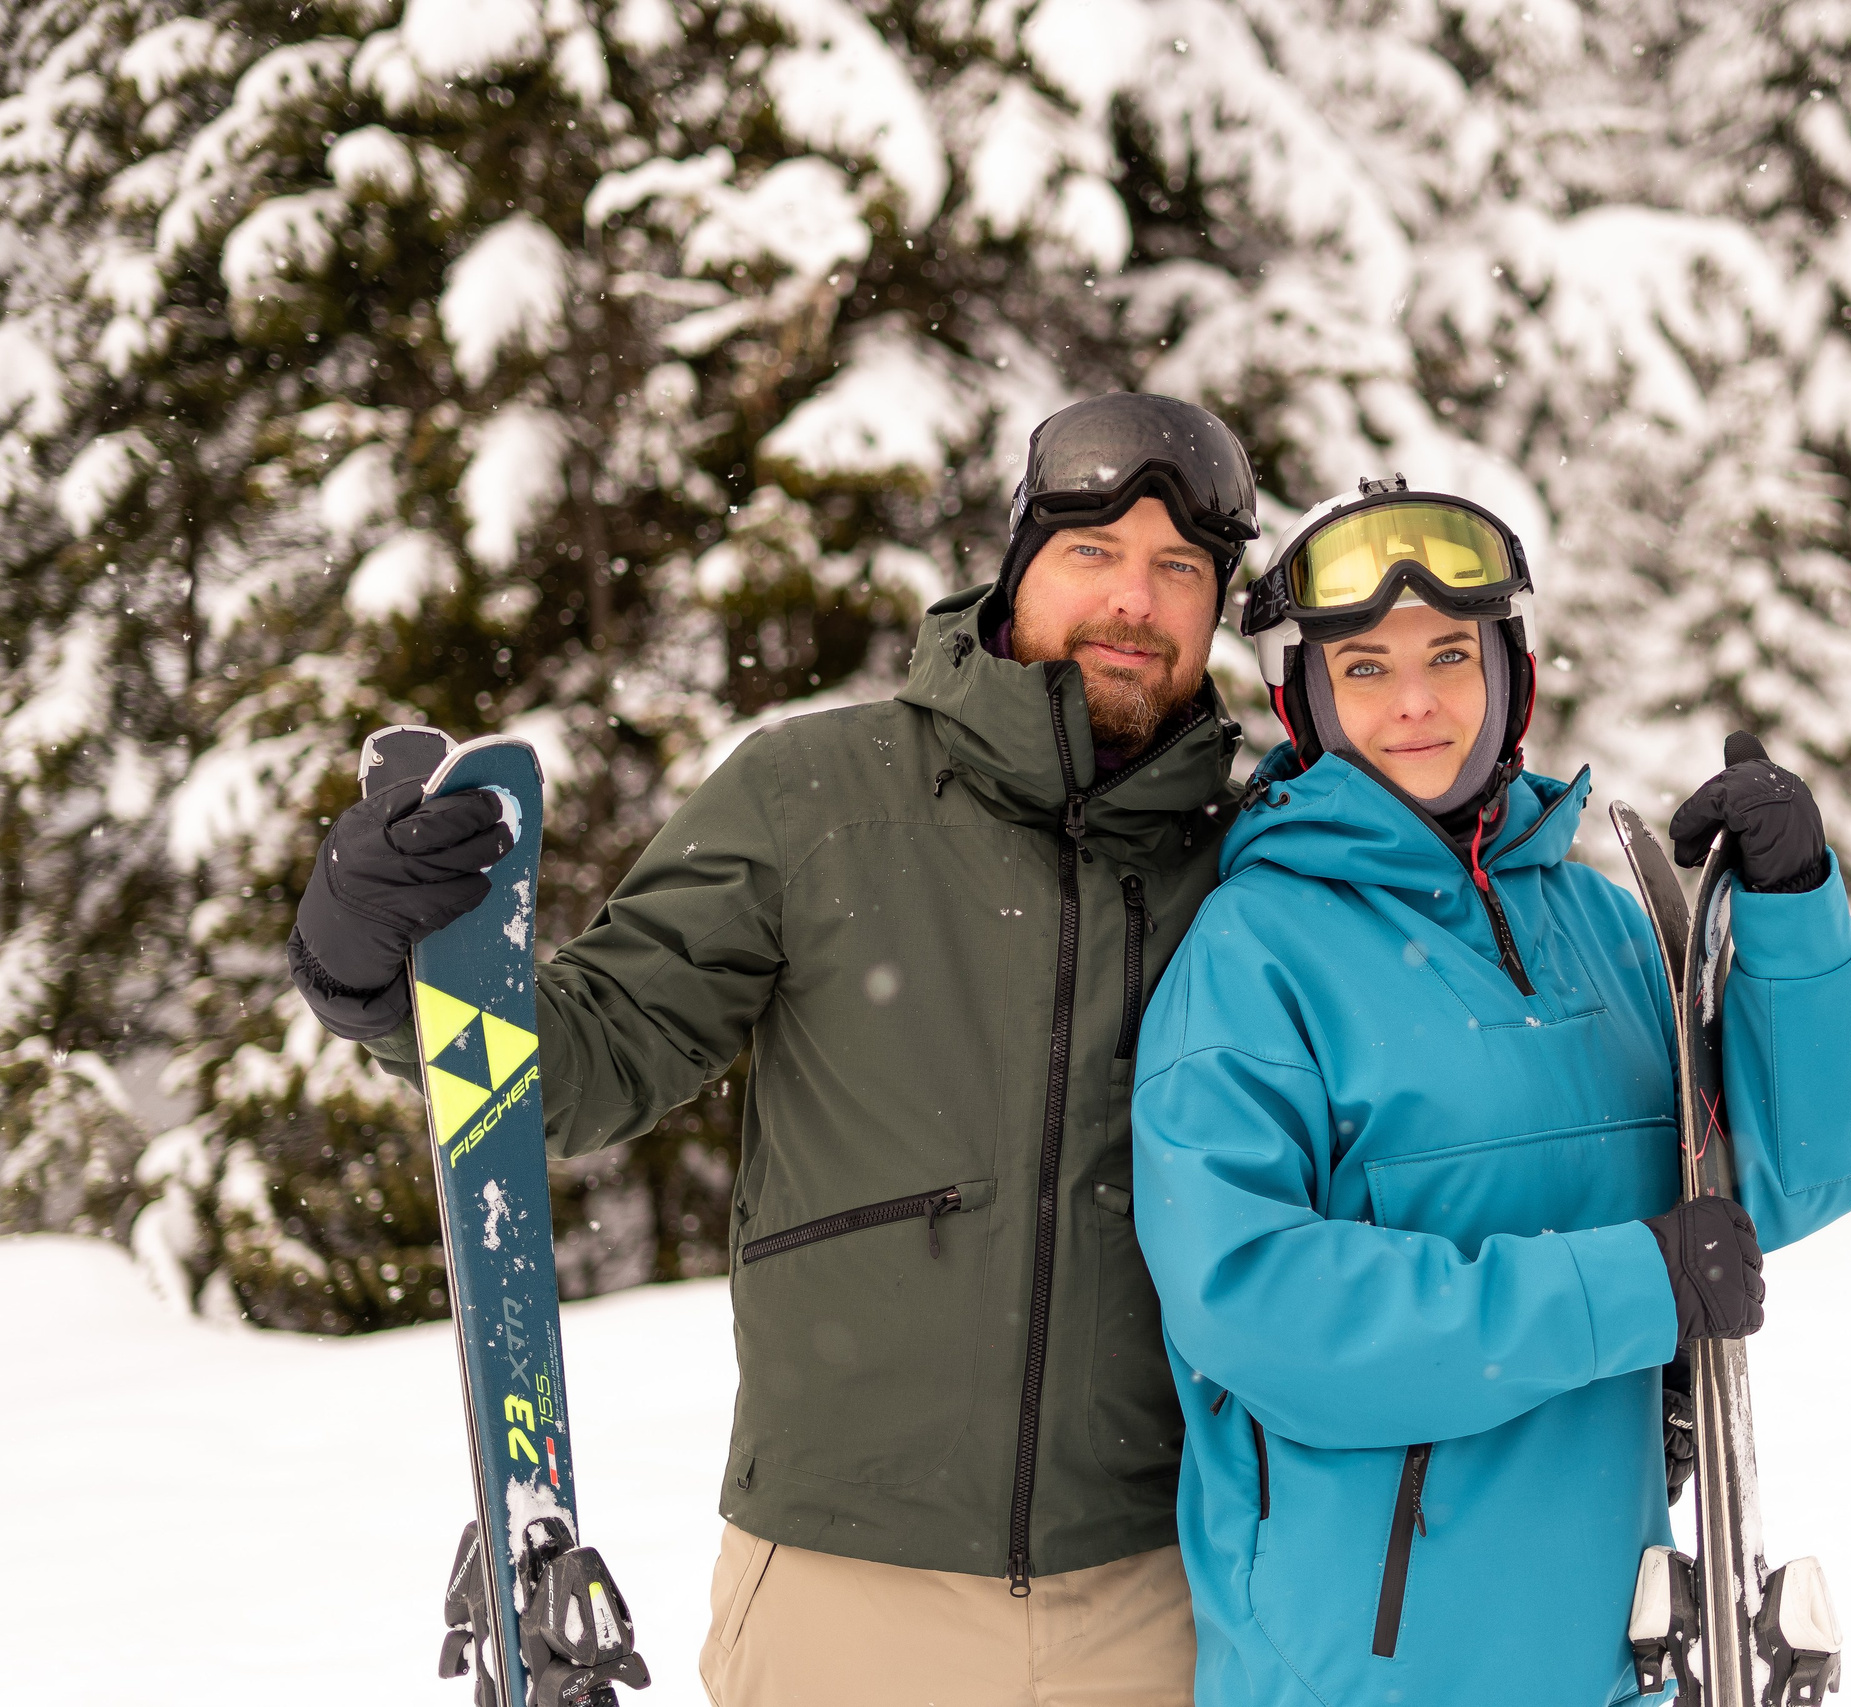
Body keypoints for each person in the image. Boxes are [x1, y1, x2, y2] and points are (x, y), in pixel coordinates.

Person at [285, 393, 1265, 1706]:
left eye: (1178, 570)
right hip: (843, 1587)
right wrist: (381, 974)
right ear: (1020, 563)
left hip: (1159, 1594)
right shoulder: (816, 795)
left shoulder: (1253, 856)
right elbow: (592, 1053)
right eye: (1093, 553)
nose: (1132, 602)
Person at [1128, 479, 1851, 1707]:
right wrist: (1633, 1283)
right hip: (1362, 1667)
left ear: (1510, 674)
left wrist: (1791, 919)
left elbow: (1780, 1192)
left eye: (1448, 656)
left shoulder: (1602, 927)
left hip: (1613, 1649)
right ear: (1304, 702)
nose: (1414, 701)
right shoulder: (1252, 959)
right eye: (1362, 667)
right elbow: (1257, 1308)